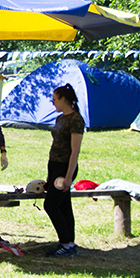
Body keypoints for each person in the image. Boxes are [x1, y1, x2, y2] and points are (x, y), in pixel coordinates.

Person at [43, 83, 85, 257]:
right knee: (64, 205)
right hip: (54, 164)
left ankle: (65, 243)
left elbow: (75, 151)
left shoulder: (76, 120)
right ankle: (70, 243)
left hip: (65, 166)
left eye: (54, 100)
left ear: (63, 99)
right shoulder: (60, 118)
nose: (53, 103)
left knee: (51, 205)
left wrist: (68, 177)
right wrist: (49, 176)